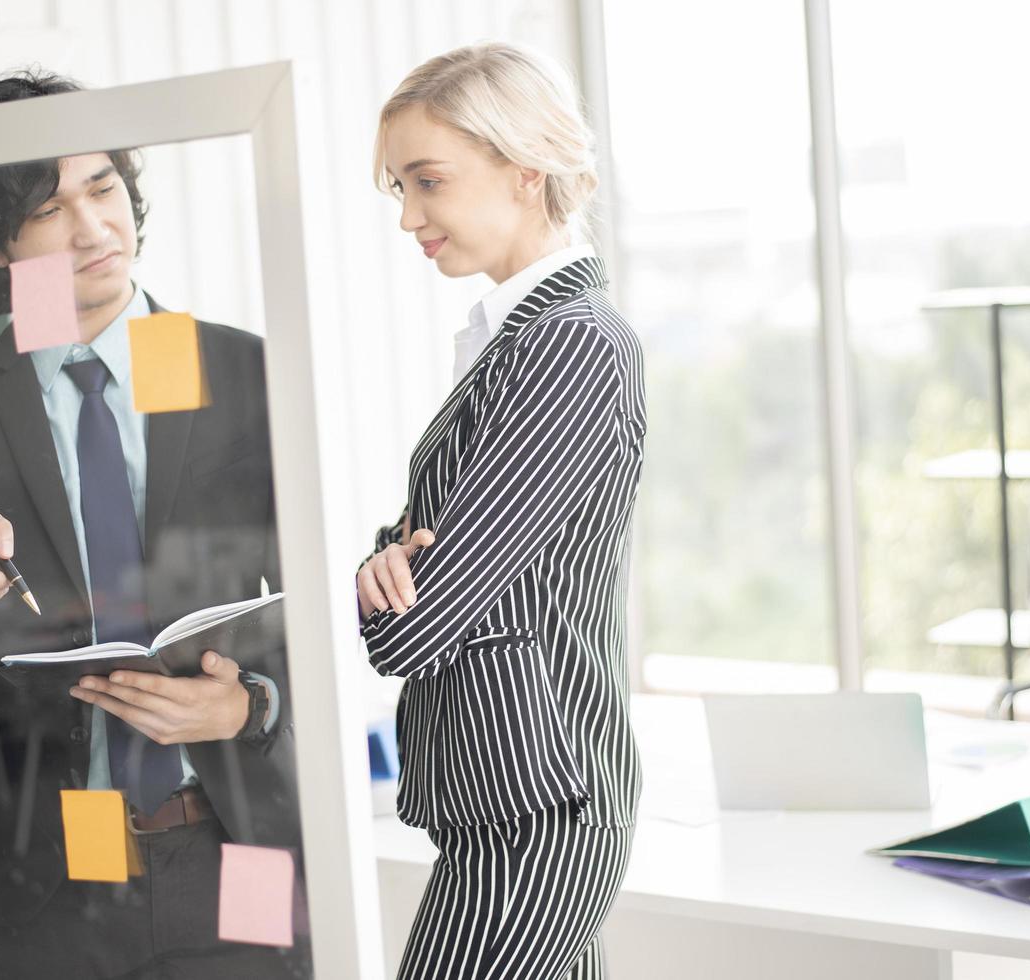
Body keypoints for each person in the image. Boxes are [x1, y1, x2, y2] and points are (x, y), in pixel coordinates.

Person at [0, 69, 308, 979]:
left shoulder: (244, 372)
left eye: (103, 186)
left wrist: (251, 702)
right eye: (48, 206)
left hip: (240, 843)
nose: (93, 227)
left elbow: (322, 611)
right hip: (45, 880)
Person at [359, 42, 646, 980]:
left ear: (526, 173)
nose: (408, 217)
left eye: (427, 182)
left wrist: (391, 575)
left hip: (537, 803)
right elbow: (426, 556)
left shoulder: (569, 345)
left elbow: (417, 623)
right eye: (399, 188)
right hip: (508, 792)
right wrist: (390, 558)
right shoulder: (516, 339)